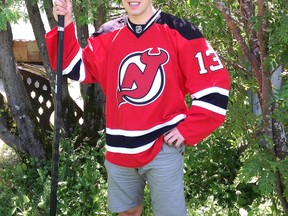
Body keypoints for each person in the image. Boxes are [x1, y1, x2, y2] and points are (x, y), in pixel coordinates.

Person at [46, 0, 230, 215]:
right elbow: (73, 67)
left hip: (162, 146)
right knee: (127, 212)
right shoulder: (106, 34)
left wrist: (187, 129)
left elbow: (214, 86)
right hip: (119, 148)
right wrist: (66, 22)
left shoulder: (180, 31)